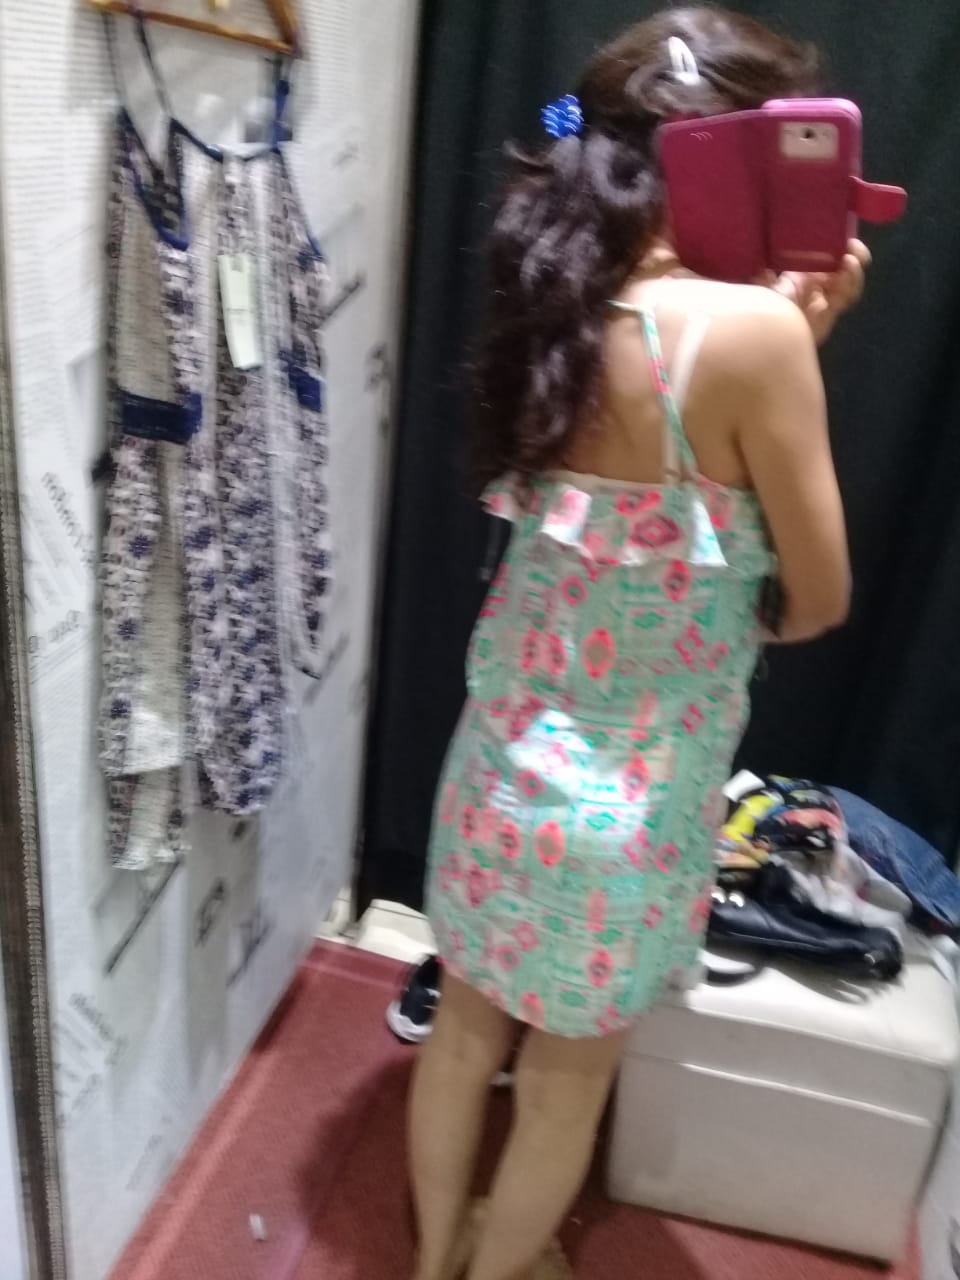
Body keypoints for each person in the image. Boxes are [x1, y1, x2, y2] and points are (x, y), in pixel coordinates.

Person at [408, 9, 868, 1279]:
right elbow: (816, 598)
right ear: (731, 161)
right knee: (563, 1090)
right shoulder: (753, 335)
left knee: (462, 1034)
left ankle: (431, 1257)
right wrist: (800, 345)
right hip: (631, 809)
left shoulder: (548, 292)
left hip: (495, 766)